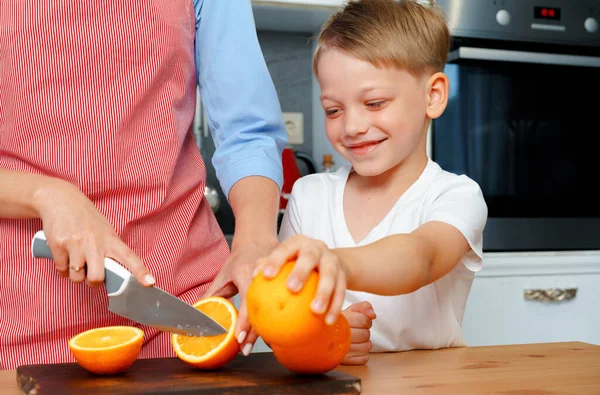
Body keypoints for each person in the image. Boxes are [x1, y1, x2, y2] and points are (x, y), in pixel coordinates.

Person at [0, 0, 286, 369]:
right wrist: (45, 194)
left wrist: (256, 239)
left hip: (178, 302)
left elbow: (248, 133)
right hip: (20, 309)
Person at [254, 0, 488, 365]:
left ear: (433, 95)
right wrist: (322, 336)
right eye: (334, 109)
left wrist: (334, 264)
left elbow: (420, 258)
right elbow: (278, 311)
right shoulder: (308, 195)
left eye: (375, 103)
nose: (351, 126)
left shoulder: (456, 196)